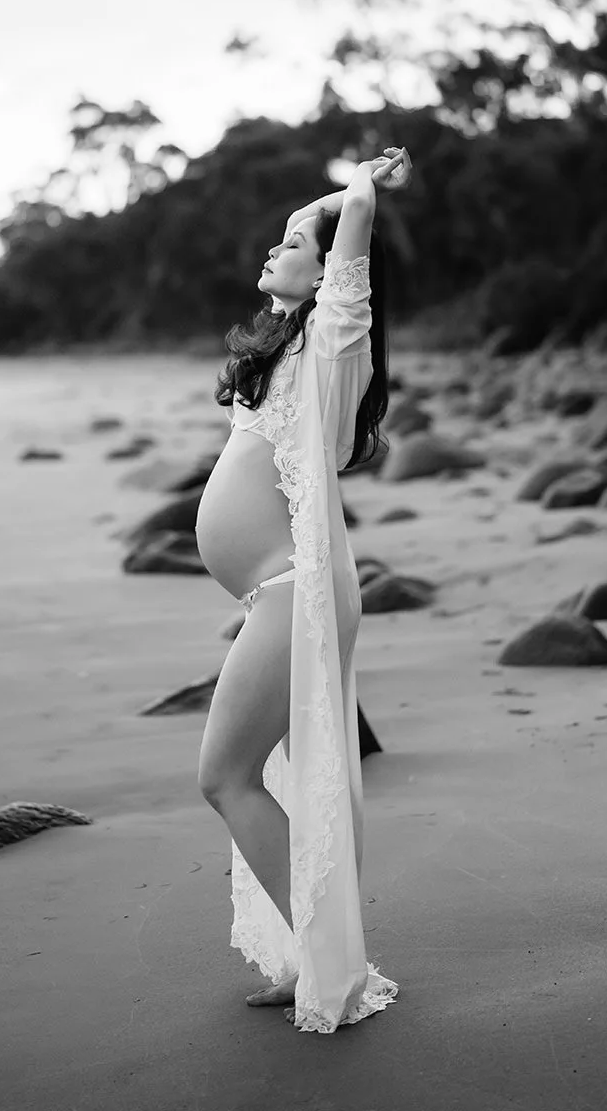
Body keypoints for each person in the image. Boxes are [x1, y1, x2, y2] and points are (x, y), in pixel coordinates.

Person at [195, 145, 411, 1033]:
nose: (275, 248)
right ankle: (311, 955)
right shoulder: (287, 346)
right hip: (275, 594)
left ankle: (331, 960)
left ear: (328, 279)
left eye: (293, 249)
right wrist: (323, 203)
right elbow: (305, 225)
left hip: (297, 591)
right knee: (257, 773)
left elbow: (346, 233)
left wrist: (360, 183)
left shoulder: (331, 339)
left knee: (225, 774)